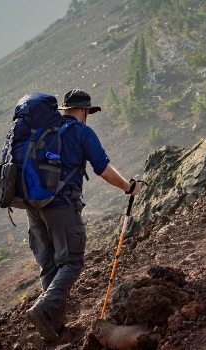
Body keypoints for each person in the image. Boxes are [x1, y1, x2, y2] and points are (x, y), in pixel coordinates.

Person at [25, 89, 142, 341]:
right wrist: (129, 187)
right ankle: (43, 309)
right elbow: (104, 169)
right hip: (62, 206)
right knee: (72, 263)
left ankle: (54, 328)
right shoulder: (81, 132)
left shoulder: (43, 131)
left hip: (33, 207)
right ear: (85, 111)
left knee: (50, 266)